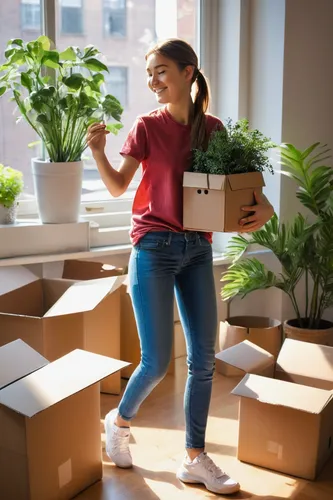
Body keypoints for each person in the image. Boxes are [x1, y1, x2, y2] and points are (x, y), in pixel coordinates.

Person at [87, 38, 274, 496]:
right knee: (153, 363)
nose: (153, 81)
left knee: (203, 361)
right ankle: (119, 421)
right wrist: (97, 152)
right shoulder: (146, 127)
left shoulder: (212, 129)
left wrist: (265, 209)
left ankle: (194, 457)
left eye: (161, 71)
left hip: (197, 250)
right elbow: (117, 188)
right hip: (153, 247)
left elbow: (245, 189)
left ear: (188, 73)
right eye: (150, 73)